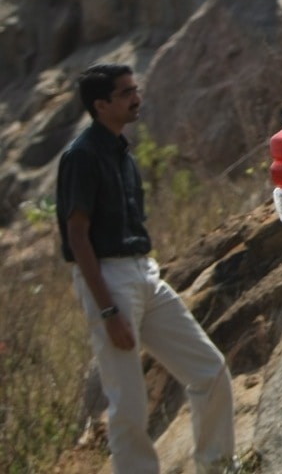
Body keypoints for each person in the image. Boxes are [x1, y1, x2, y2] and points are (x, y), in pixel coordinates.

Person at [58, 64, 234, 474]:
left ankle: (218, 465)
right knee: (129, 405)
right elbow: (77, 237)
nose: (136, 98)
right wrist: (107, 310)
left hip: (144, 274)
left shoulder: (122, 152)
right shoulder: (82, 156)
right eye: (125, 94)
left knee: (209, 370)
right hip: (108, 280)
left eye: (135, 90)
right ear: (101, 105)